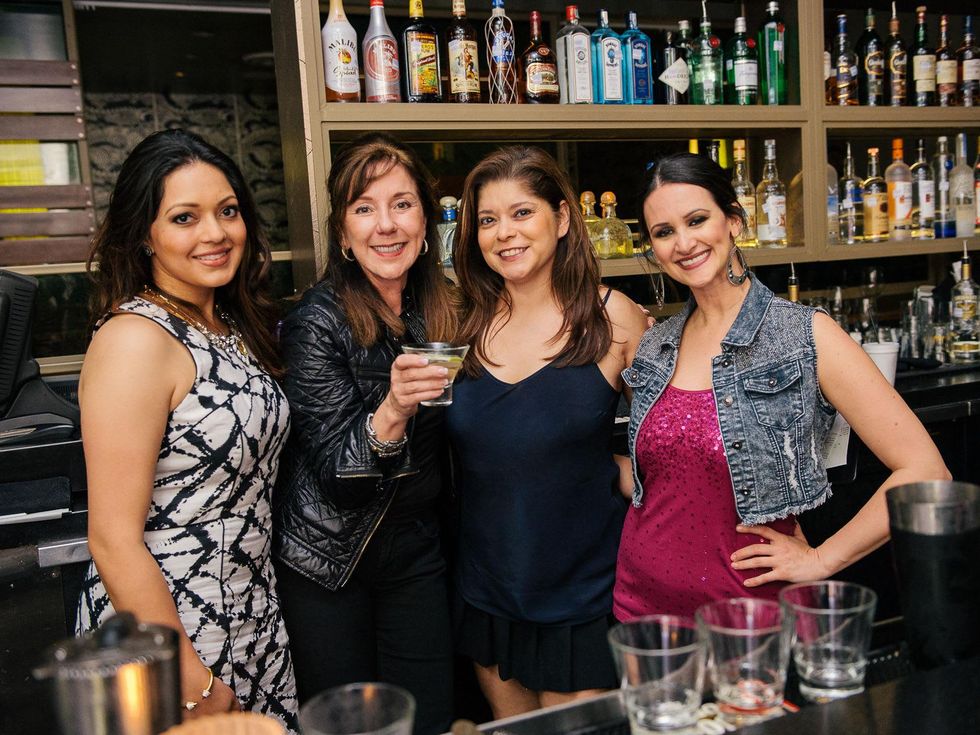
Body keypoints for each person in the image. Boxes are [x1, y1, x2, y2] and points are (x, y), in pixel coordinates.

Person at [614, 152, 951, 621]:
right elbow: (656, 480)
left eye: (697, 220)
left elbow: (924, 469)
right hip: (643, 609)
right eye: (664, 232)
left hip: (751, 613)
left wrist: (821, 559)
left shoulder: (802, 335)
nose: (684, 242)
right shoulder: (656, 346)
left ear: (734, 221)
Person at [77, 129, 298, 731]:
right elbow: (113, 538)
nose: (215, 233)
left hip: (251, 610)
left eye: (228, 211)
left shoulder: (225, 320)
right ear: (143, 235)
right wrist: (189, 675)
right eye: (184, 217)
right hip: (172, 628)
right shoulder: (134, 340)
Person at [446, 146, 648, 719]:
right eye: (487, 220)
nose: (504, 233)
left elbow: (671, 432)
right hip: (489, 590)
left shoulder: (614, 318)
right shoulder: (460, 324)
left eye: (521, 213)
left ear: (561, 220)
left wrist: (628, 469)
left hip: (583, 594)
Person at [273, 133, 457, 735]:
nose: (386, 225)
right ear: (344, 232)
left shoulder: (445, 307)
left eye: (402, 204)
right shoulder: (316, 320)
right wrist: (393, 409)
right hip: (332, 561)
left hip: (417, 550)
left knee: (427, 717)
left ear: (426, 222)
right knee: (351, 727)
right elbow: (338, 478)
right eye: (364, 208)